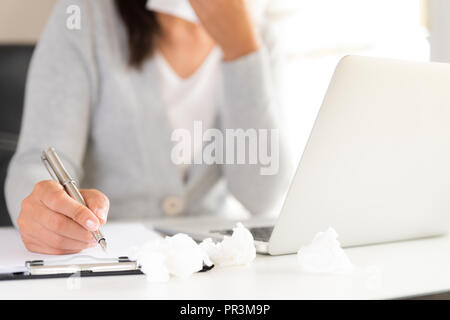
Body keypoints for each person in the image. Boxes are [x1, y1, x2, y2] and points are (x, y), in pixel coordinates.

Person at [5, 0, 291, 255]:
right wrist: (43, 209)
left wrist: (241, 50)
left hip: (210, 261)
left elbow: (261, 197)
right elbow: (37, 160)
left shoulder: (258, 37)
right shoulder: (83, 17)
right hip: (113, 259)